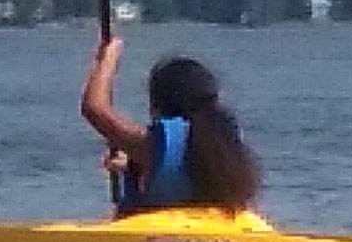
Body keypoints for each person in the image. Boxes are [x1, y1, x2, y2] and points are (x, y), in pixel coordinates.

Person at [80, 38, 262, 215]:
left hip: (166, 241)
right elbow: (189, 174)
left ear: (157, 106)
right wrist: (134, 165)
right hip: (228, 234)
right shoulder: (226, 135)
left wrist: (106, 60)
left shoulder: (160, 143)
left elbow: (94, 109)